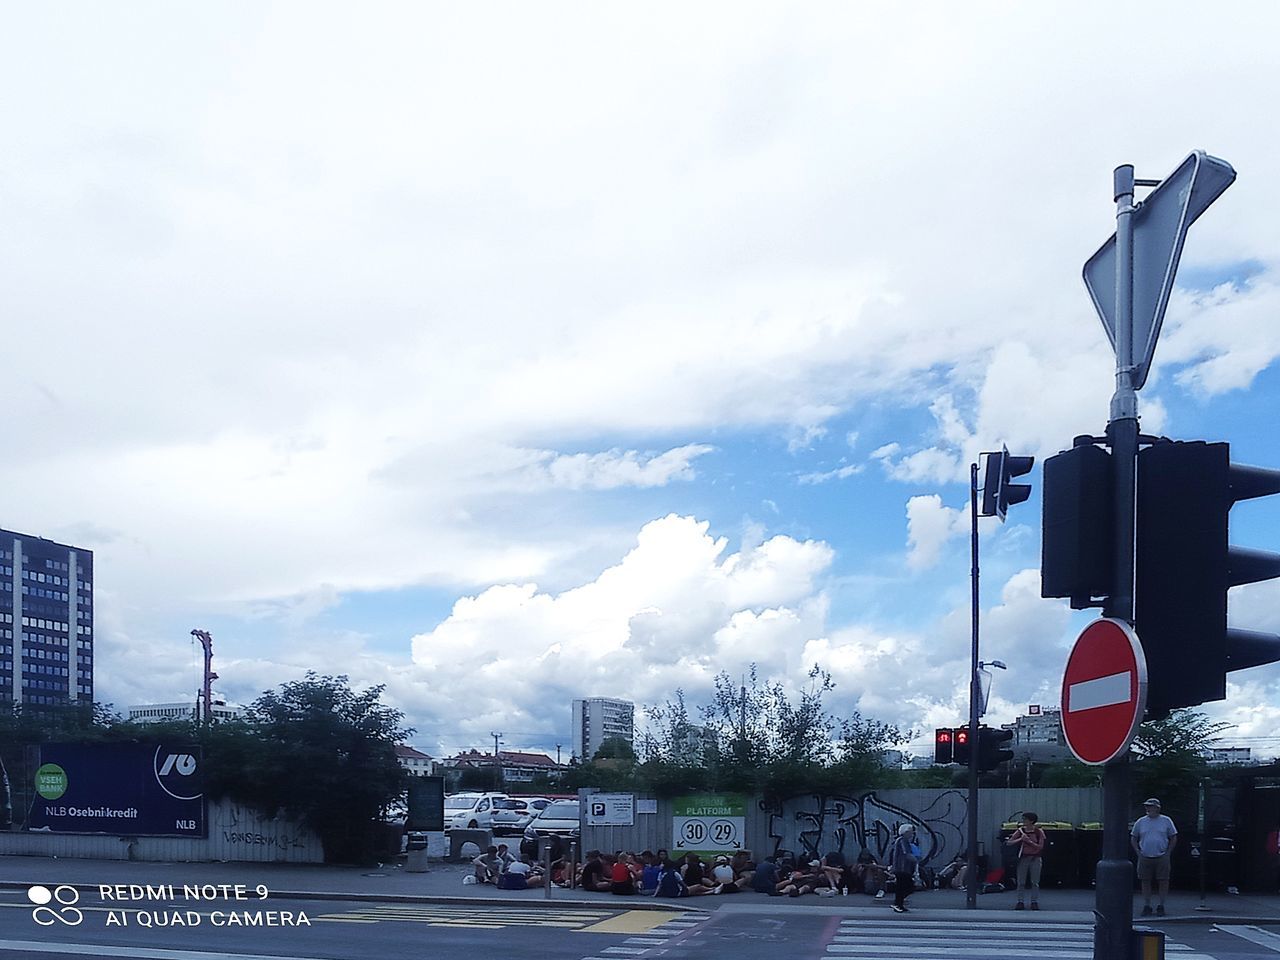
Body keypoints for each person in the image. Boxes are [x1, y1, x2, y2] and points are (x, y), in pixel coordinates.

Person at [1131, 797, 1178, 917]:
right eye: (1146, 806)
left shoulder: (1166, 820)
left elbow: (1173, 836)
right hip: (1144, 855)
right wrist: (1138, 851)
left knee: (1163, 880)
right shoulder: (1141, 821)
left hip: (1162, 855)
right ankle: (1147, 905)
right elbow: (1134, 837)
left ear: (1157, 808)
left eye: (1150, 806)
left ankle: (1161, 905)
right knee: (1145, 881)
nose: (1147, 808)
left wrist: (1168, 852)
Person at [1005, 812, 1047, 910]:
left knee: (1035, 881)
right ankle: (1020, 901)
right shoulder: (1020, 831)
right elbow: (1009, 843)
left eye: (1025, 819)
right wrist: (1020, 839)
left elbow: (1040, 847)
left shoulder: (1039, 832)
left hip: (1035, 858)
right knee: (1021, 881)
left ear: (1031, 821)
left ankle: (1034, 901)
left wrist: (1029, 842)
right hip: (1023, 858)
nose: (1023, 821)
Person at [890, 823, 920, 913]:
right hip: (902, 868)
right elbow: (906, 853)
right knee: (908, 886)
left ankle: (899, 904)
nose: (912, 834)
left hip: (902, 868)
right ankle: (897, 903)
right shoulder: (903, 840)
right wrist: (916, 860)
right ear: (906, 832)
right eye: (911, 832)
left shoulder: (901, 840)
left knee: (901, 886)